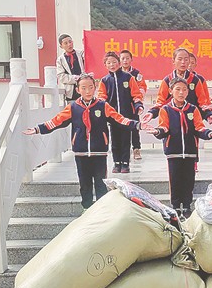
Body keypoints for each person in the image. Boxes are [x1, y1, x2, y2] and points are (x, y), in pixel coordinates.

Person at [24, 74, 138, 209]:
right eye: (83, 88)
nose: (88, 91)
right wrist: (38, 129)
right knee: (85, 184)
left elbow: (119, 119)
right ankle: (86, 209)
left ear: (95, 88)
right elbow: (56, 121)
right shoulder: (73, 107)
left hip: (99, 153)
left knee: (101, 184)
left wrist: (137, 125)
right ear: (78, 90)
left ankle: (102, 211)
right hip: (81, 153)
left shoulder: (103, 106)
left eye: (90, 87)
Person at [148, 76, 212, 218]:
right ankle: (175, 208)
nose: (181, 92)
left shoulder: (193, 109)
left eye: (184, 90)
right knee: (175, 181)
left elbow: (199, 128)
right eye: (177, 89)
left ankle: (187, 207)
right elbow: (164, 127)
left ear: (188, 91)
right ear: (170, 91)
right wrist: (157, 132)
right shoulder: (166, 109)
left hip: (190, 152)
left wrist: (209, 134)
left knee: (189, 181)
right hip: (173, 152)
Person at [97, 51, 144, 174]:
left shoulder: (128, 77)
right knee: (115, 140)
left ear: (119, 63)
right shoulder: (105, 80)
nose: (112, 65)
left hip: (127, 115)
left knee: (125, 140)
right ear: (105, 65)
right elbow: (102, 96)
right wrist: (101, 106)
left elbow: (136, 94)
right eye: (109, 63)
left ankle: (125, 163)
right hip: (113, 116)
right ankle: (116, 163)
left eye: (114, 62)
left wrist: (138, 106)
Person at [148, 48, 212, 123]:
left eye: (186, 60)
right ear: (173, 61)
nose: (183, 62)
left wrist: (208, 114)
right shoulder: (167, 80)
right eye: (180, 59)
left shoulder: (195, 80)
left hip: (193, 120)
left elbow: (203, 101)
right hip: (172, 120)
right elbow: (161, 101)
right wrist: (152, 113)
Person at [120, 49, 146, 161]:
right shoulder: (117, 74)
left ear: (131, 59)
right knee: (121, 128)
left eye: (127, 58)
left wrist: (138, 101)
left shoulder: (137, 74)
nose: (125, 60)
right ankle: (123, 151)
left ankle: (136, 149)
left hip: (133, 106)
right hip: (120, 106)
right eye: (123, 58)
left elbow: (142, 87)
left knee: (135, 128)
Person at [56, 34, 85, 102]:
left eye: (70, 42)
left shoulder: (81, 53)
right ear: (61, 46)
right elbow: (61, 76)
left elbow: (90, 57)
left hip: (85, 89)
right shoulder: (60, 60)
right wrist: (74, 78)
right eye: (65, 43)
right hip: (71, 93)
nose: (69, 44)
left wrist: (86, 44)